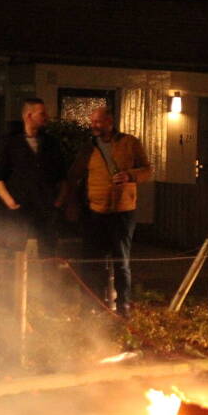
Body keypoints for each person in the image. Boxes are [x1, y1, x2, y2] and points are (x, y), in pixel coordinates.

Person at [65, 107, 151, 316]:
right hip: (96, 212)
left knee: (121, 261)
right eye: (92, 121)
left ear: (110, 121)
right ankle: (92, 305)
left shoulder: (129, 143)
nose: (93, 125)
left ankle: (123, 307)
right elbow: (74, 175)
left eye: (98, 121)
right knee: (93, 262)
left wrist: (130, 176)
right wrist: (72, 203)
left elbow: (147, 170)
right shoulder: (88, 148)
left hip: (123, 212)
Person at [0, 98, 66, 255]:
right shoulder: (11, 143)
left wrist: (58, 202)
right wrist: (10, 201)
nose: (46, 117)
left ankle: (48, 273)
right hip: (20, 207)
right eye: (42, 113)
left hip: (45, 208)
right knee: (14, 252)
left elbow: (62, 176)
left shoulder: (51, 143)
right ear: (29, 115)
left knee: (48, 252)